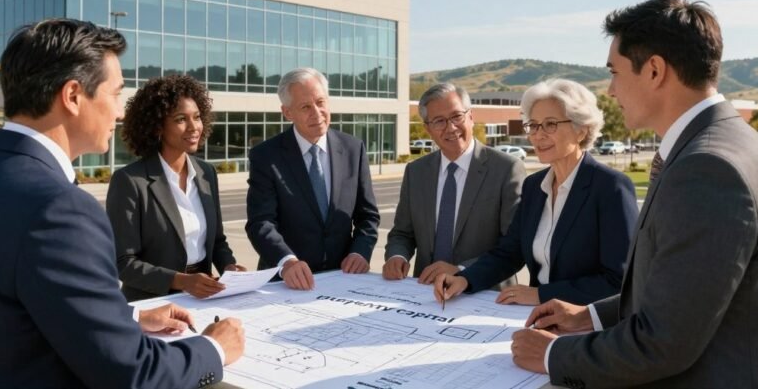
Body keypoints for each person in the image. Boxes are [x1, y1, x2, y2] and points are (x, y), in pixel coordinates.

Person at [0, 19, 245, 389]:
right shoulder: (60, 209)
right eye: (115, 94)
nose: (119, 113)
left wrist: (127, 318)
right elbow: (132, 374)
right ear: (72, 96)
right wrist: (214, 347)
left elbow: (5, 314)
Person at [511, 0, 758, 387]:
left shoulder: (707, 169)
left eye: (615, 73)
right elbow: (686, 297)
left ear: (653, 71)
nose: (611, 91)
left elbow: (663, 341)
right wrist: (591, 316)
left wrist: (550, 354)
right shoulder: (734, 144)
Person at [434, 79, 637, 306]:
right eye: (533, 125)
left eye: (550, 124)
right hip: (536, 319)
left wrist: (542, 295)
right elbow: (509, 253)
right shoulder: (534, 186)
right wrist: (465, 279)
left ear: (581, 131)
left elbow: (619, 281)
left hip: (585, 327)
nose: (537, 135)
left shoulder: (611, 187)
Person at [107, 75, 246, 301]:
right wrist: (181, 281)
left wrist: (229, 267)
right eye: (181, 119)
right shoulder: (130, 181)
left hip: (203, 296)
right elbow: (122, 262)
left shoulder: (206, 174)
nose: (194, 127)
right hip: (152, 302)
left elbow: (217, 241)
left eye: (197, 117)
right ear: (157, 126)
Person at [245, 67, 381, 290]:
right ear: (287, 112)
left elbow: (368, 215)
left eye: (320, 102)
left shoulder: (353, 149)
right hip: (286, 283)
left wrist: (360, 251)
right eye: (305, 107)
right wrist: (287, 262)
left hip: (343, 278)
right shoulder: (266, 156)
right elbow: (261, 223)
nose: (317, 113)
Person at [384, 83, 525, 285]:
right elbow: (402, 233)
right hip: (425, 295)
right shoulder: (416, 172)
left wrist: (461, 271)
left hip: (484, 295)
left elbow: (514, 247)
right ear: (427, 129)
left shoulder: (506, 169)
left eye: (457, 116)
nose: (451, 128)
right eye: (439, 121)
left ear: (471, 117)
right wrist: (397, 257)